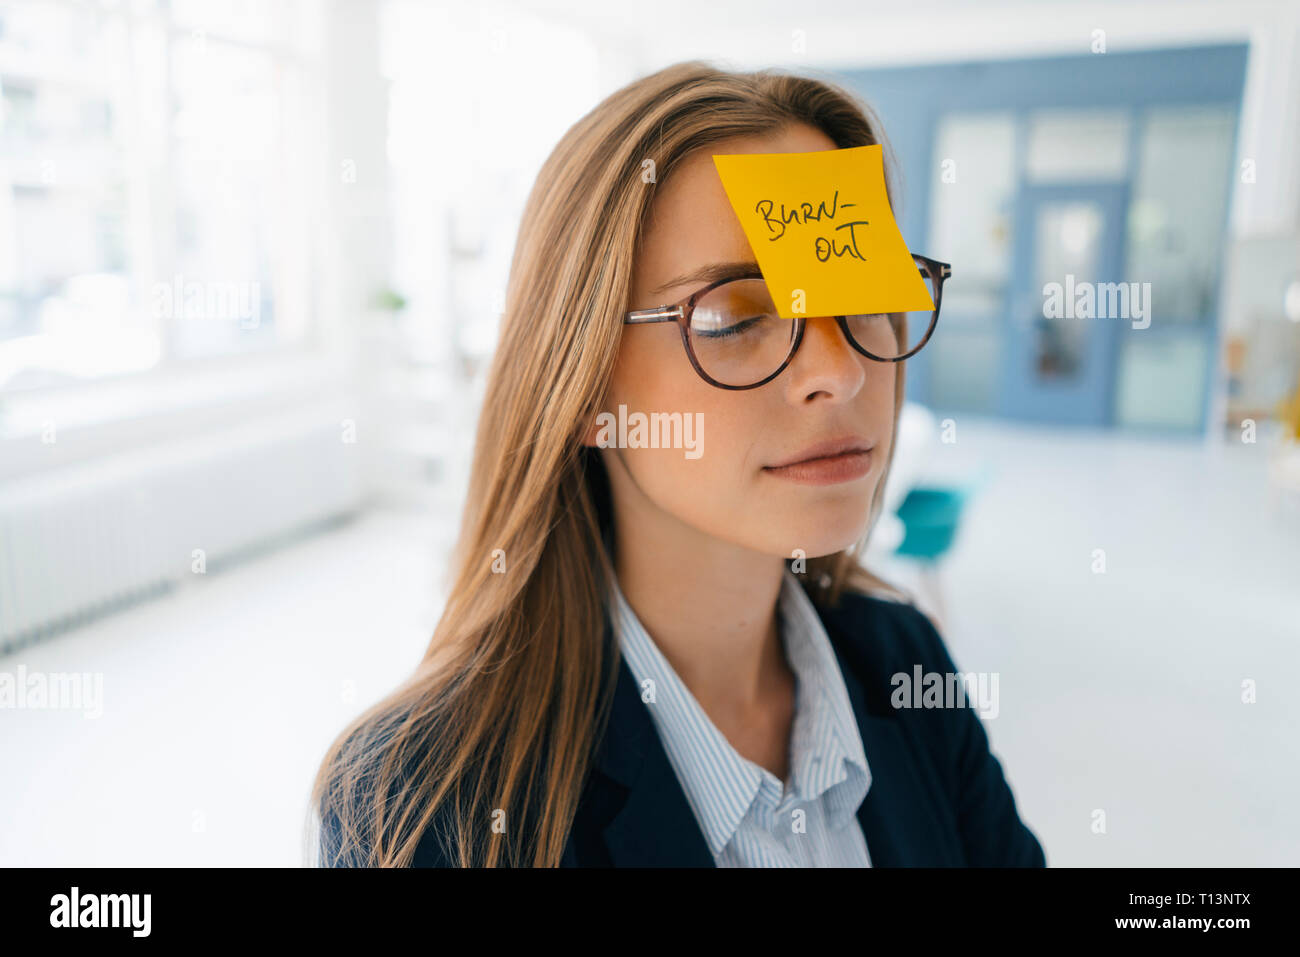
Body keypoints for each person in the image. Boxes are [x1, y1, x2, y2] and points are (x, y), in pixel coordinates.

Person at [309, 60, 1045, 868]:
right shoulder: (419, 806)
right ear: (584, 387)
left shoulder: (904, 661)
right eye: (734, 317)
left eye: (862, 295)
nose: (842, 371)